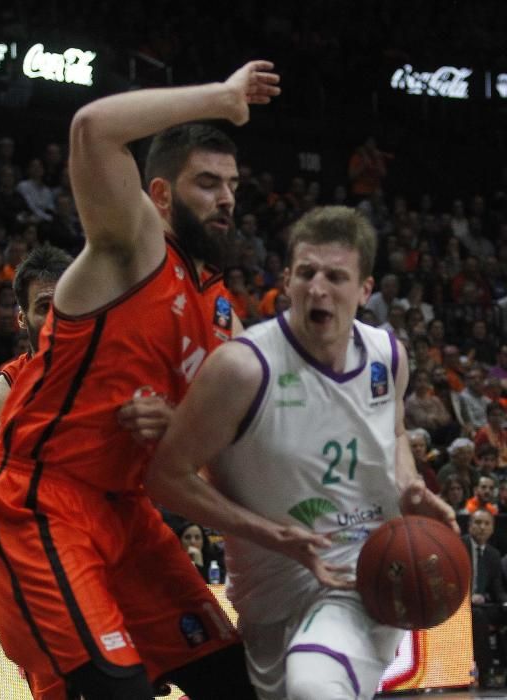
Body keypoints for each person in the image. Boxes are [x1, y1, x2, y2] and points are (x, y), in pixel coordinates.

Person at [0, 61, 281, 700]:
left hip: (130, 513)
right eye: (206, 183)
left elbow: (218, 447)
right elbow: (92, 128)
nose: (225, 198)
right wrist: (221, 97)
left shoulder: (222, 311)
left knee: (234, 683)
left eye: (232, 185)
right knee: (118, 692)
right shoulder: (134, 245)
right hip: (45, 502)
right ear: (161, 195)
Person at [147, 205, 457, 700]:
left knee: (316, 685)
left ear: (365, 290)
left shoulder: (386, 356)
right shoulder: (243, 369)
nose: (318, 288)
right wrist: (273, 536)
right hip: (270, 594)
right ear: (286, 280)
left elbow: (394, 431)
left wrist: (408, 484)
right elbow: (165, 478)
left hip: (366, 575)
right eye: (307, 273)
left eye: (336, 276)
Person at [0, 244, 73, 490]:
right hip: (35, 523)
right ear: (22, 318)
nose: (54, 319)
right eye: (44, 307)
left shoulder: (106, 375)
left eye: (63, 305)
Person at [463, 510, 507, 689]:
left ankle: (504, 669)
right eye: (478, 522)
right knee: (478, 616)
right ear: (469, 525)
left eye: (486, 524)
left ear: (492, 529)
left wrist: (505, 602)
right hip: (462, 606)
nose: (482, 527)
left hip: (484, 605)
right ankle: (486, 671)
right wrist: (469, 597)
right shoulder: (459, 546)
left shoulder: (493, 554)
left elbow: (498, 590)